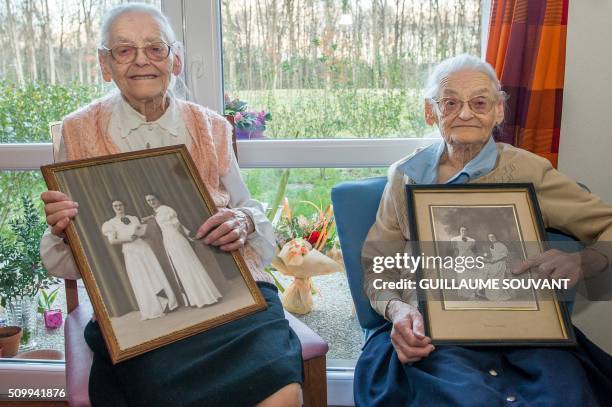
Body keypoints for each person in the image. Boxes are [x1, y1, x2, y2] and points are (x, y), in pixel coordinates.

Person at [39, 4, 302, 406]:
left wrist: (244, 221)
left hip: (233, 294)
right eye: (124, 50)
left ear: (175, 60)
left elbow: (246, 205)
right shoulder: (76, 132)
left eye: (155, 48)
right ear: (104, 64)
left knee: (281, 391)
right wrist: (63, 229)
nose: (142, 60)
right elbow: (69, 259)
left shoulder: (212, 125)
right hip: (146, 313)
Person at [357, 54, 612, 406]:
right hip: (434, 339)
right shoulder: (405, 176)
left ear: (498, 111)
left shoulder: (529, 171)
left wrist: (584, 261)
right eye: (450, 102)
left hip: (527, 337)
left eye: (479, 102)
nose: (464, 113)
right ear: (430, 112)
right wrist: (398, 311)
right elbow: (377, 267)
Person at [101, 199, 179, 320]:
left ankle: (168, 303)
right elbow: (112, 241)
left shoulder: (133, 218)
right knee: (141, 277)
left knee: (155, 273)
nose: (118, 207)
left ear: (124, 205)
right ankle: (155, 307)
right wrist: (128, 239)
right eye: (115, 205)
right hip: (131, 251)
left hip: (143, 248)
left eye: (120, 204)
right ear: (112, 208)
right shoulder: (110, 223)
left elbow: (140, 231)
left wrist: (140, 233)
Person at [143, 193, 222, 308]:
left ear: (158, 198)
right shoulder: (158, 213)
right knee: (182, 269)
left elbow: (178, 225)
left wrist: (187, 239)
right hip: (168, 241)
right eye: (148, 201)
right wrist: (149, 217)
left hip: (177, 239)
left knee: (189, 265)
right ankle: (196, 299)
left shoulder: (166, 209)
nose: (151, 202)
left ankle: (207, 297)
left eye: (153, 199)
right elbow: (154, 217)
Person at [481, 233, 511, 301]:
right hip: (495, 263)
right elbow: (495, 256)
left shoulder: (501, 245)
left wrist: (494, 260)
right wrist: (489, 260)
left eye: (492, 236)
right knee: (487, 274)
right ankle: (489, 294)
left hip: (500, 264)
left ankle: (497, 296)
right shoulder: (491, 245)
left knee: (496, 279)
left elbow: (504, 256)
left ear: (496, 237)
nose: (491, 238)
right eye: (489, 237)